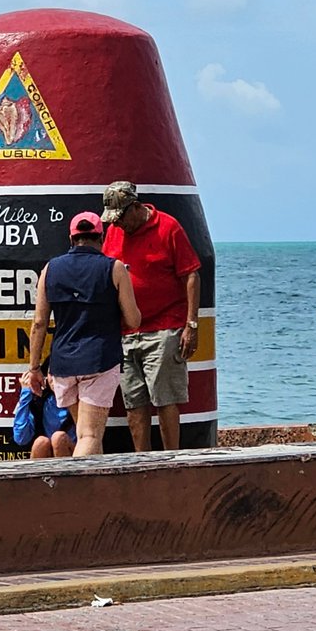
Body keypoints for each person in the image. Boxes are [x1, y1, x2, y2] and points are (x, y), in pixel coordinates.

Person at [24, 212, 140, 457]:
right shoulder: (114, 268)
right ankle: (78, 490)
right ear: (101, 236)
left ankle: (94, 493)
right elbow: (133, 319)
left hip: (63, 363)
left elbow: (38, 323)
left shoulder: (50, 269)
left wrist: (34, 368)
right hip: (99, 359)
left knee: (84, 430)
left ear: (71, 238)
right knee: (90, 435)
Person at [101, 181, 201, 451]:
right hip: (125, 332)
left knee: (165, 399)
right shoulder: (113, 232)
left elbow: (191, 274)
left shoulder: (168, 227)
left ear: (135, 207)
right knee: (133, 402)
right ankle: (141, 461)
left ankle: (171, 460)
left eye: (121, 218)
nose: (118, 225)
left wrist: (191, 324)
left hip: (164, 327)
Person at [12, 362, 75, 459]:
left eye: (62, 375)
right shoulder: (40, 400)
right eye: (53, 374)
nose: (56, 379)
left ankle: (66, 474)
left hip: (75, 455)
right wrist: (25, 393)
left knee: (58, 438)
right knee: (41, 442)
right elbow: (21, 438)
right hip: (47, 455)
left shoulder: (79, 398)